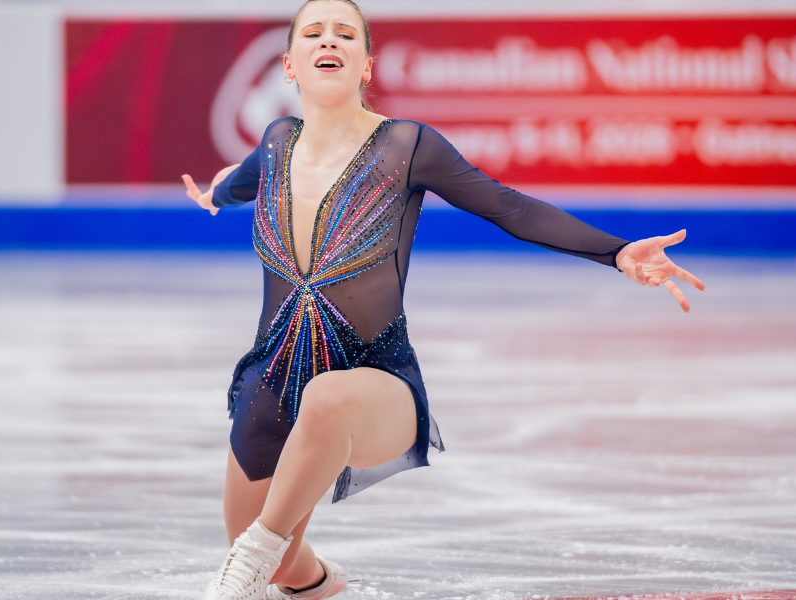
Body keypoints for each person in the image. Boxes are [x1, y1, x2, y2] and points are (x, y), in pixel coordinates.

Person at [181, 1, 706, 598]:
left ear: (366, 65)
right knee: (284, 568)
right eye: (314, 32)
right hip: (272, 381)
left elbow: (510, 206)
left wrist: (616, 252)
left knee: (313, 429)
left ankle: (249, 560)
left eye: (345, 33)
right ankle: (319, 581)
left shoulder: (407, 146)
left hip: (376, 381)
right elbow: (240, 180)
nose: (330, 40)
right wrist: (217, 193)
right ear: (290, 65)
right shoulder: (277, 143)